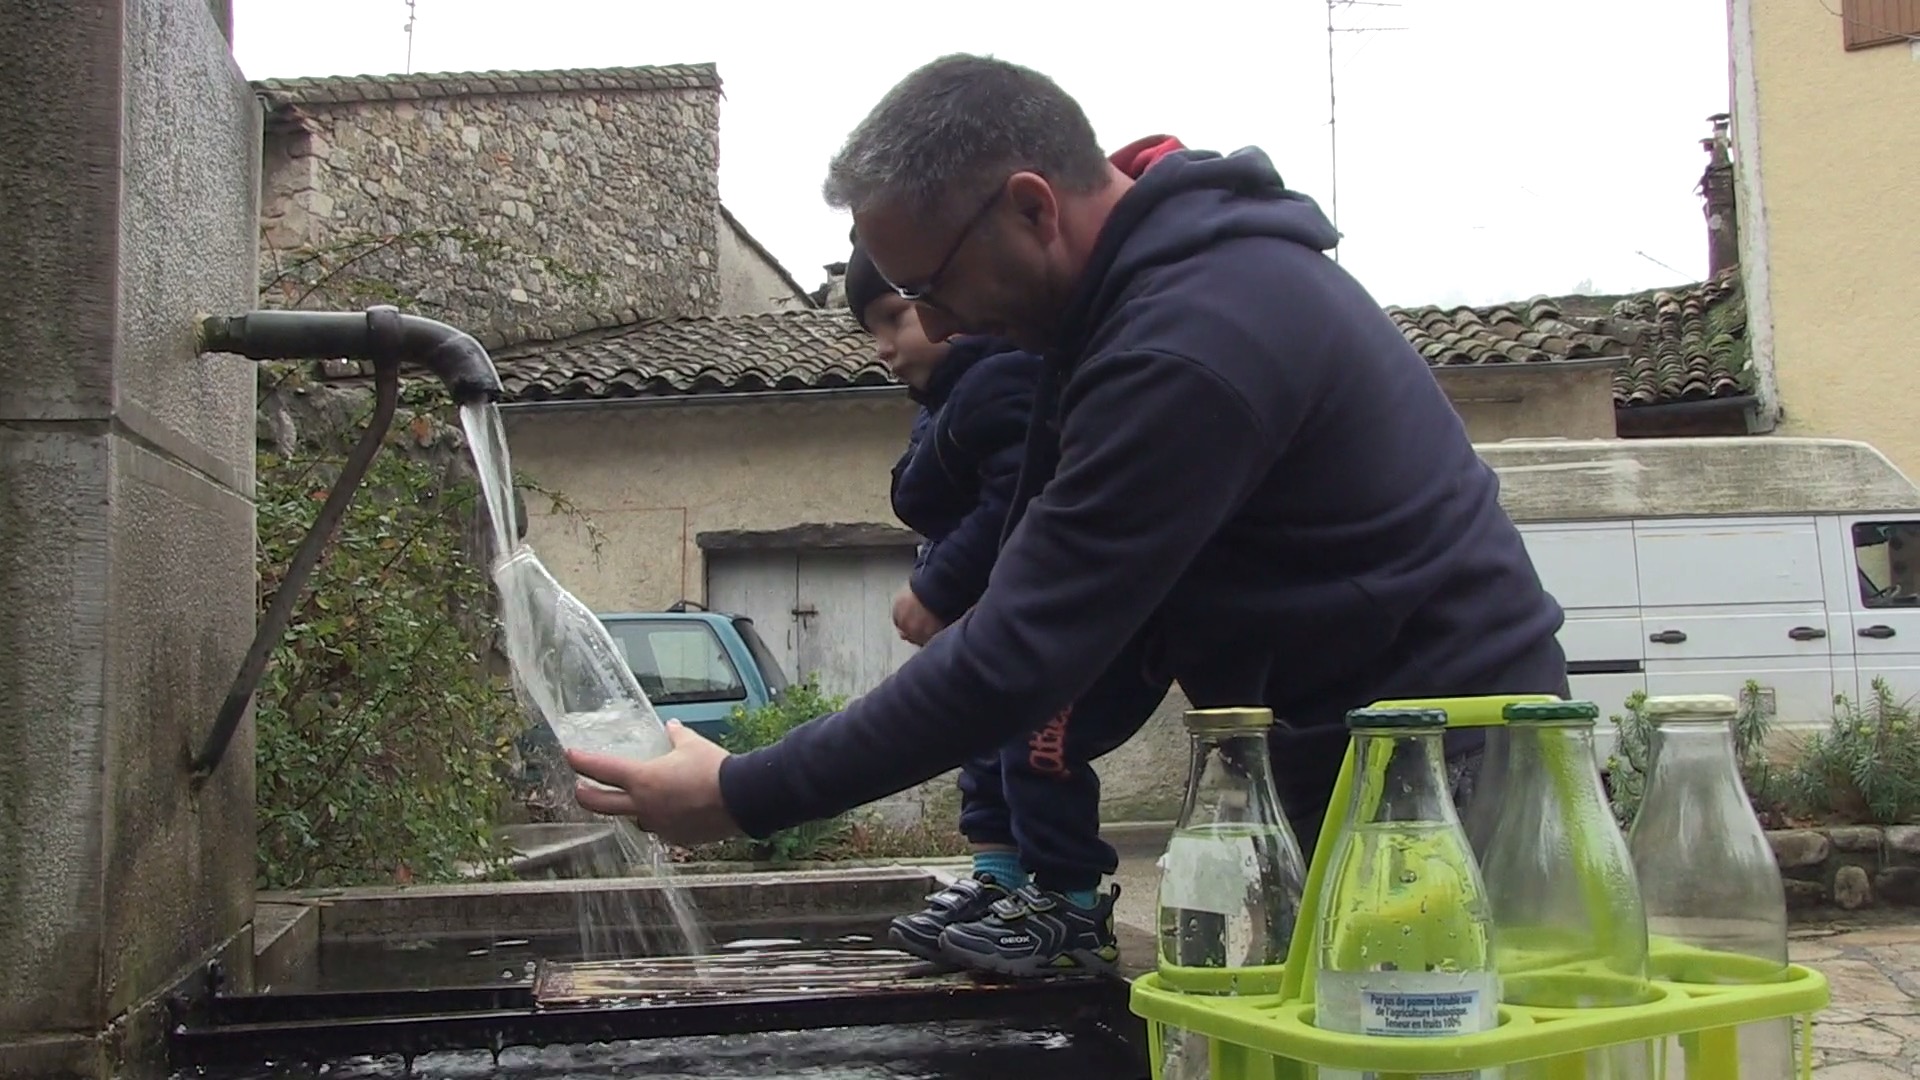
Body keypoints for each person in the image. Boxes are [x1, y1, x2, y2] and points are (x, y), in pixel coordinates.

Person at [568, 53, 1569, 938]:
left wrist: (743, 791)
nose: (937, 326)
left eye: (933, 287)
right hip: (1354, 752)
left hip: (1451, 765)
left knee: (1433, 1038)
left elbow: (1019, 651)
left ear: (1033, 208)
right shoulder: (1117, 319)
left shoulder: (1190, 342)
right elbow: (1057, 612)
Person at [846, 238, 1168, 975]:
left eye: (895, 317)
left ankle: (1071, 902)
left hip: (1071, 630)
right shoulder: (950, 403)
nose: (884, 346)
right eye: (871, 329)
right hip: (1006, 629)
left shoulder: (1010, 381)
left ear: (955, 305)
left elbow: (1019, 502)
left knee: (1038, 746)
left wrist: (939, 586)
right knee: (986, 741)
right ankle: (1000, 879)